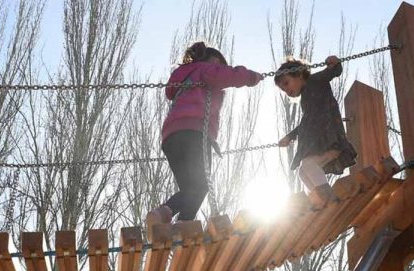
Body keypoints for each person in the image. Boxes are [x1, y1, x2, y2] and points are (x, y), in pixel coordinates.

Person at [146, 42, 264, 232]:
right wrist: (251, 76)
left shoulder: (183, 75)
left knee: (191, 189)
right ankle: (180, 224)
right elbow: (228, 75)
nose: (220, 68)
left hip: (171, 136)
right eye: (219, 64)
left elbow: (170, 92)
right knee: (201, 185)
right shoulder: (206, 70)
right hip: (194, 133)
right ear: (211, 61)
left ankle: (166, 214)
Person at [275, 56, 357, 191]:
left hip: (329, 138)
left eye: (286, 83)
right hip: (322, 140)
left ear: (300, 75)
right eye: (283, 90)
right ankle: (320, 199)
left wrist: (335, 63)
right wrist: (290, 136)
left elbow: (333, 72)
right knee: (303, 172)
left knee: (308, 165)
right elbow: (306, 122)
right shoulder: (305, 99)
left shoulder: (315, 81)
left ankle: (327, 197)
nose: (286, 91)